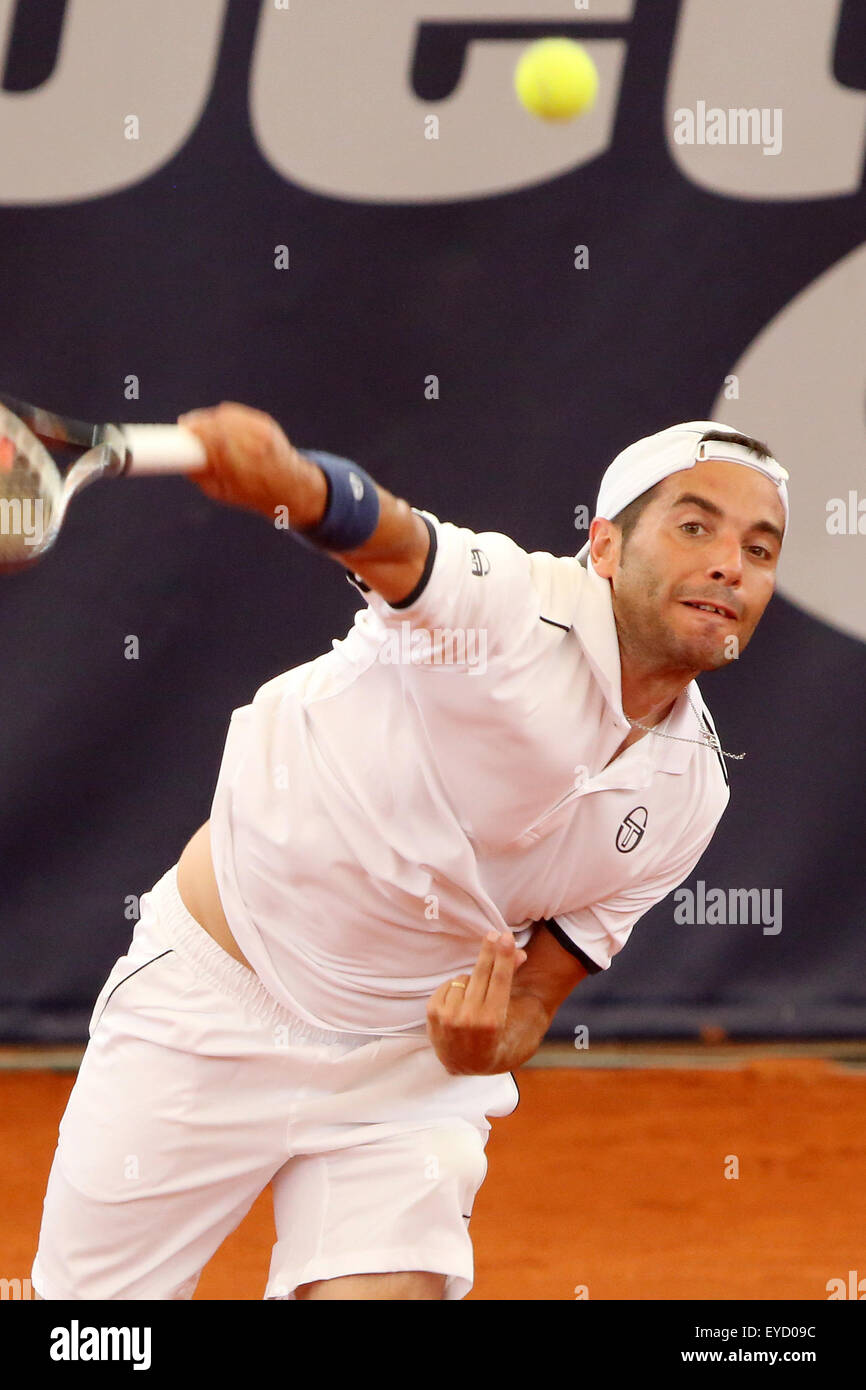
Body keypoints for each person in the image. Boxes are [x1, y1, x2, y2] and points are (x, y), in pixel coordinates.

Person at [31, 408, 788, 1301]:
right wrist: (288, 481)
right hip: (210, 1006)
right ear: (608, 547)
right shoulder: (506, 608)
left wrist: (484, 1043)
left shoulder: (691, 794)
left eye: (761, 548)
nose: (729, 564)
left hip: (401, 1070)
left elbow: (535, 1001)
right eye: (695, 525)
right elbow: (388, 538)